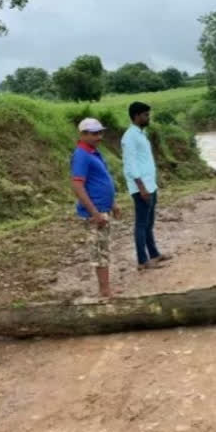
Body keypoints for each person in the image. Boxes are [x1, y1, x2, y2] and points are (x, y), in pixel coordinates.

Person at [70, 117, 121, 298]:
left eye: (100, 133)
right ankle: (105, 291)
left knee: (103, 248)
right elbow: (77, 185)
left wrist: (112, 203)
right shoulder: (81, 155)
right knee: (99, 252)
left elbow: (102, 179)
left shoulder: (93, 152)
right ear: (83, 134)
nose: (99, 137)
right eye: (94, 133)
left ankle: (106, 288)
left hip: (103, 208)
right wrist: (94, 212)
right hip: (95, 212)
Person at [122, 101, 172, 271]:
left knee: (149, 223)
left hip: (150, 185)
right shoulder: (129, 137)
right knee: (141, 224)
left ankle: (154, 254)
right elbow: (130, 165)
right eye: (145, 115)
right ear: (136, 116)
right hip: (141, 187)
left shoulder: (141, 134)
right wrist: (141, 187)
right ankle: (143, 261)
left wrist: (150, 185)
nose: (148, 117)